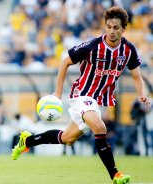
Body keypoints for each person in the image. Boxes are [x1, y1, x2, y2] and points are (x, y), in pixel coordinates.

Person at [11, 6, 152, 184]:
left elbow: (137, 76)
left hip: (97, 101)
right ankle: (115, 175)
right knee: (100, 128)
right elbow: (65, 62)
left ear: (124, 28)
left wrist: (142, 94)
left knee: (67, 138)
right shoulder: (93, 45)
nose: (111, 31)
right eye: (108, 26)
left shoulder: (128, 50)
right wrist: (58, 92)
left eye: (116, 28)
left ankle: (28, 141)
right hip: (82, 95)